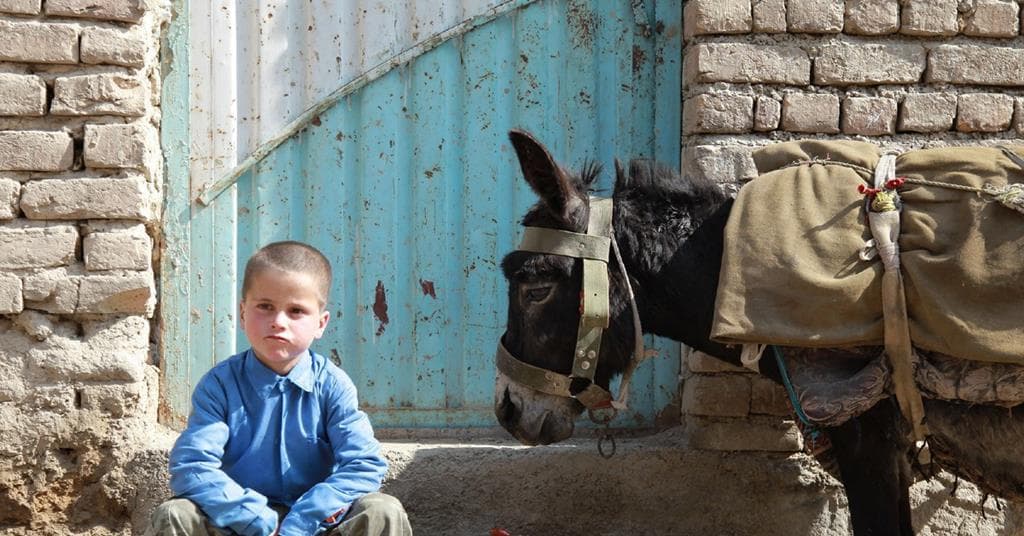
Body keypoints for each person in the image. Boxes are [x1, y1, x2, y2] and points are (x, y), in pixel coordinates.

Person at [148, 241, 411, 536]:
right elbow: (191, 465)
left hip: (316, 524)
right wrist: (256, 518)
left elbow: (364, 464)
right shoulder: (219, 386)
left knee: (382, 510)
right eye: (265, 307)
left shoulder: (332, 385)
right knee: (175, 514)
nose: (278, 322)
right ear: (243, 312)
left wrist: (301, 521)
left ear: (321, 323)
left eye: (296, 310)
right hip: (237, 523)